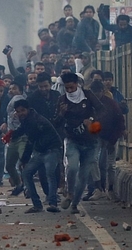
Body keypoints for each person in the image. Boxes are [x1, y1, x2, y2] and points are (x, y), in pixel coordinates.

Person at [54, 73, 104, 214]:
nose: (69, 91)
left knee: (83, 175)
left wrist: (92, 119)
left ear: (77, 84)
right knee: (73, 167)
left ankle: (75, 204)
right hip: (72, 140)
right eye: (67, 88)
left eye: (72, 87)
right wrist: (61, 114)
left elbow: (101, 110)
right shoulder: (62, 100)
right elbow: (56, 122)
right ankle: (70, 193)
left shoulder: (87, 96)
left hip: (90, 141)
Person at [5, 99, 63, 213]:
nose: (21, 113)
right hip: (40, 151)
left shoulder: (34, 120)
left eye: (23, 110)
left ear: (28, 109)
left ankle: (53, 203)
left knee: (49, 174)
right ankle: (37, 204)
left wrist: (24, 159)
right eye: (18, 111)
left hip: (52, 149)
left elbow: (30, 141)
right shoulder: (27, 120)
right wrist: (11, 135)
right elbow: (21, 132)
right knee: (27, 173)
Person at [83, 80, 125, 201]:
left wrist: (112, 141)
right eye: (93, 92)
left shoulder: (111, 104)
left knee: (110, 165)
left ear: (103, 91)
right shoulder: (88, 104)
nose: (96, 95)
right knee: (93, 160)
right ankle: (98, 188)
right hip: (96, 137)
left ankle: (110, 189)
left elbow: (120, 122)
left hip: (111, 136)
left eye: (98, 92)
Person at [4, 82, 27, 196]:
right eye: (10, 88)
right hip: (12, 137)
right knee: (9, 165)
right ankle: (19, 185)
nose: (11, 91)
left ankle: (27, 186)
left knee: (23, 162)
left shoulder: (20, 100)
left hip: (23, 137)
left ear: (20, 91)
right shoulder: (9, 102)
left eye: (14, 88)